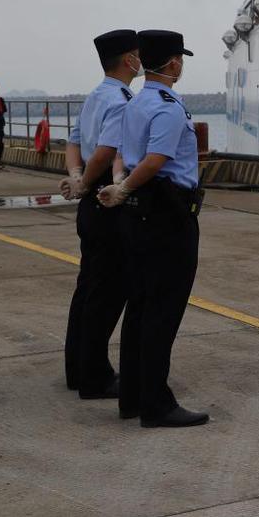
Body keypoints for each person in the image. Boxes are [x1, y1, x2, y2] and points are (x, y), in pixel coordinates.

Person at [98, 30, 206, 428]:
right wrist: (125, 186)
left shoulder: (136, 103)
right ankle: (156, 404)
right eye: (181, 58)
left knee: (140, 307)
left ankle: (132, 397)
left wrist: (122, 188)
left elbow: (124, 156)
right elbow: (158, 159)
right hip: (167, 216)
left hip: (139, 217)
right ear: (174, 64)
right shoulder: (168, 107)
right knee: (163, 310)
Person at [59, 30, 140, 398]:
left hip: (89, 203)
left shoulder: (96, 94)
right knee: (107, 293)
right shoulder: (123, 100)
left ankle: (76, 368)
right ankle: (96, 377)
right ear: (129, 60)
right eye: (137, 54)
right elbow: (106, 152)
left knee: (87, 287)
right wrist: (88, 184)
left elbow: (73, 141)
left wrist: (76, 179)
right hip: (106, 198)